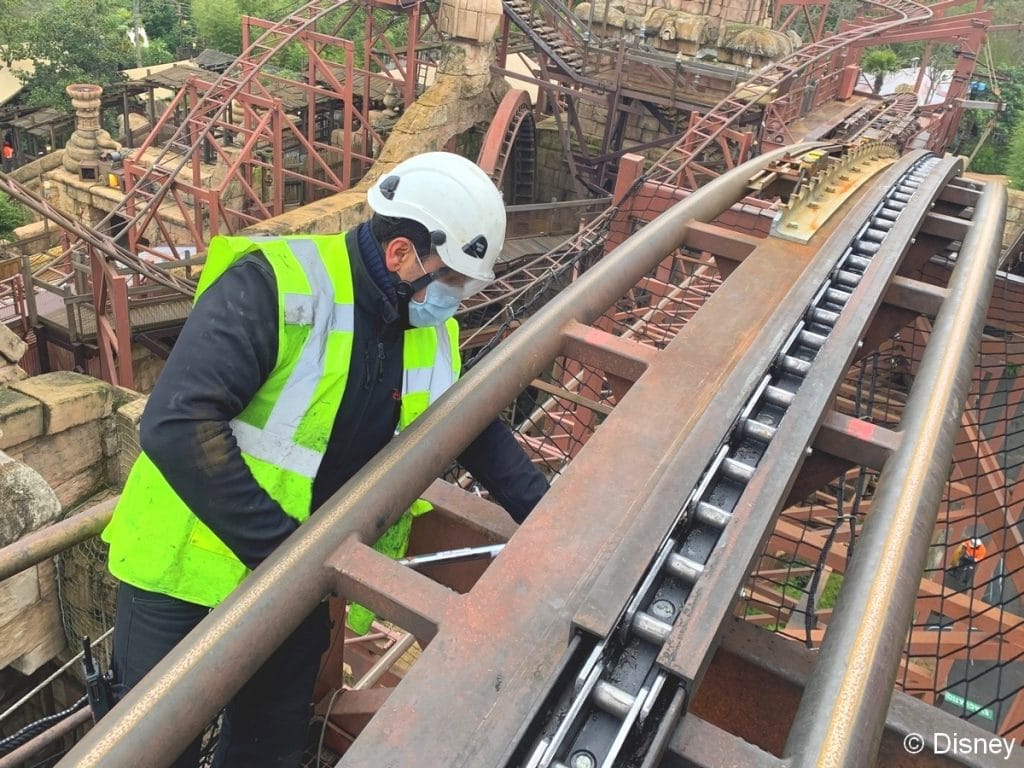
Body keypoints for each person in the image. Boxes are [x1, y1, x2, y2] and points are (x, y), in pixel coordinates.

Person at [101, 151, 549, 768]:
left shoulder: (427, 326)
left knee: (268, 750)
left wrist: (550, 517)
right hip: (185, 576)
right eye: (452, 281)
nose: (459, 298)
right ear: (401, 256)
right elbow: (179, 424)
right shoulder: (277, 285)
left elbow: (470, 428)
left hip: (292, 588)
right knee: (153, 751)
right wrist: (291, 561)